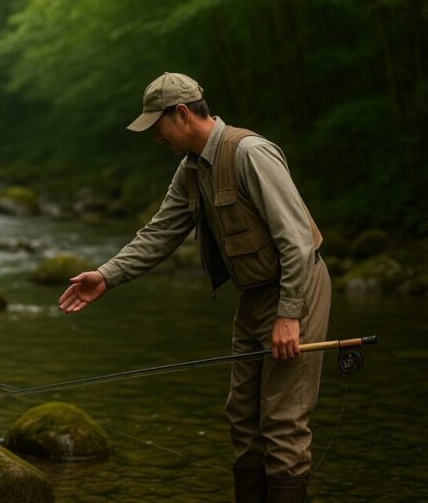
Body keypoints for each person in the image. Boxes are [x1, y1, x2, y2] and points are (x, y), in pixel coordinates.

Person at [58, 72, 330, 502]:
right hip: (255, 294)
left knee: (282, 421)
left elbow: (296, 241)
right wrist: (107, 275)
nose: (155, 137)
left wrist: (289, 315)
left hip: (296, 290)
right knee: (242, 415)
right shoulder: (190, 170)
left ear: (181, 114)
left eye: (157, 125)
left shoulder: (250, 153)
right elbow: (159, 234)